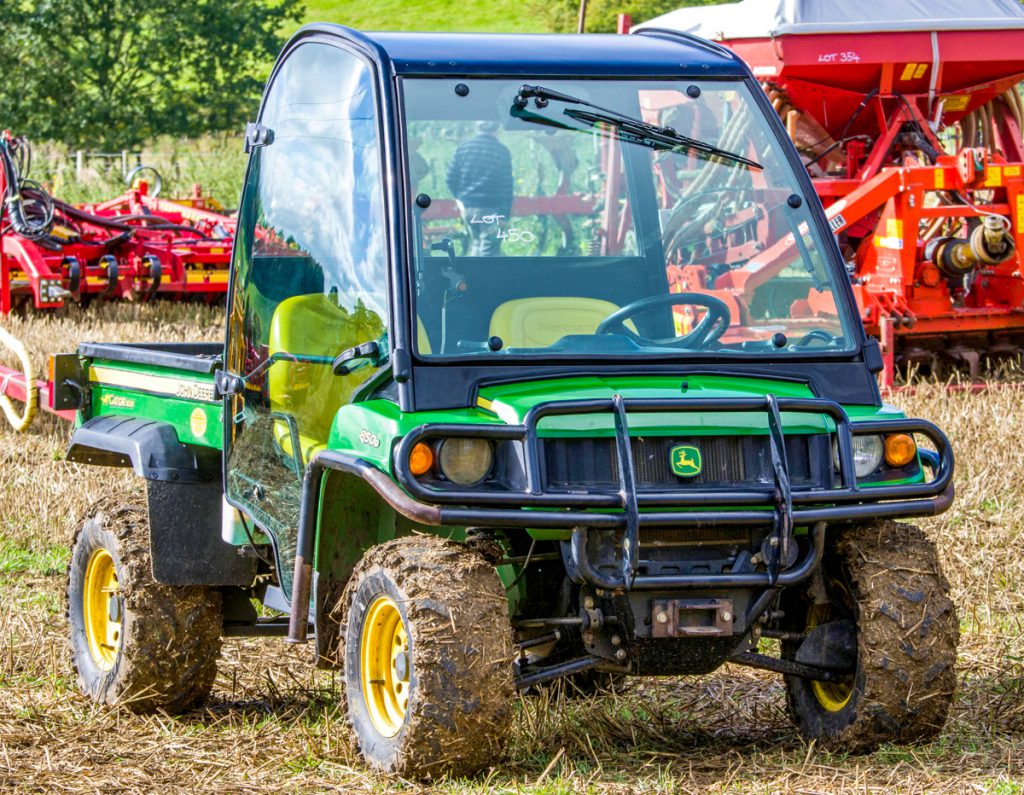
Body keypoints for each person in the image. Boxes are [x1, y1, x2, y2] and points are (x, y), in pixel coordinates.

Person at [445, 121, 513, 256]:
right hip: (492, 209)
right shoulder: (501, 151)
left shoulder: (464, 147)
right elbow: (506, 185)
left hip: (468, 209)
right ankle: (486, 277)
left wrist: (462, 199)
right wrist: (505, 214)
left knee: (476, 245)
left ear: (477, 127)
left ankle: (473, 276)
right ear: (497, 128)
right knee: (489, 253)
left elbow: (450, 178)